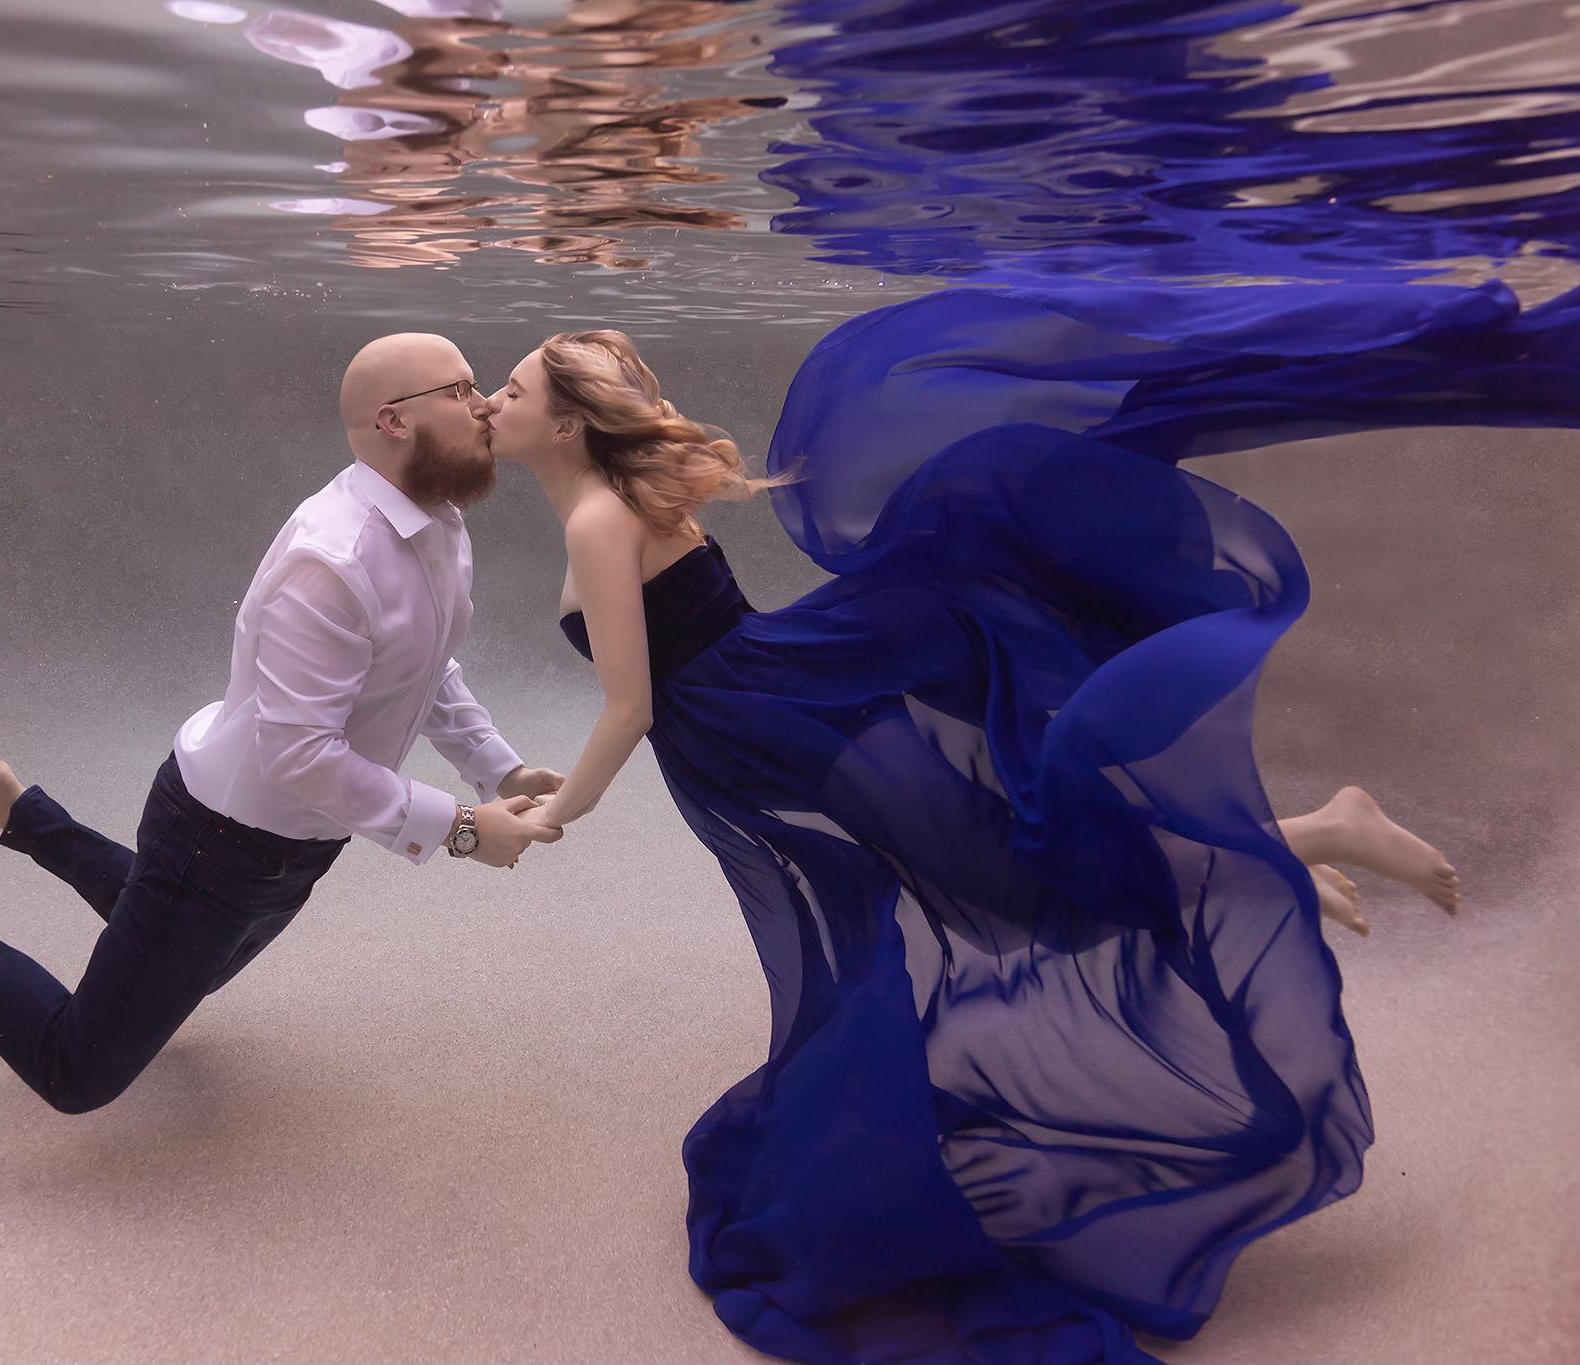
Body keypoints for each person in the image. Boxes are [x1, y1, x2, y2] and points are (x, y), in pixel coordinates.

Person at [478, 277, 1580, 1361]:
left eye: (513, 386)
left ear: (568, 422)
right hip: (774, 715)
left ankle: (1308, 836)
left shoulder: (594, 521)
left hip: (782, 726)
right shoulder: (611, 510)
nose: (494, 398)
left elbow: (630, 702)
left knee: (1020, 885)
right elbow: (663, 665)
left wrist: (561, 812)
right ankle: (1288, 849)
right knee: (1010, 878)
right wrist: (546, 779)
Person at [0, 332, 564, 1115]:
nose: (486, 403)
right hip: (219, 841)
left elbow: (420, 665)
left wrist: (498, 768)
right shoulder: (333, 560)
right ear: (394, 421)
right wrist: (463, 828)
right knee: (75, 1071)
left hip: (293, 840)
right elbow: (300, 756)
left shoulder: (438, 522)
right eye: (461, 388)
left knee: (198, 961)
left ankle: (20, 809)